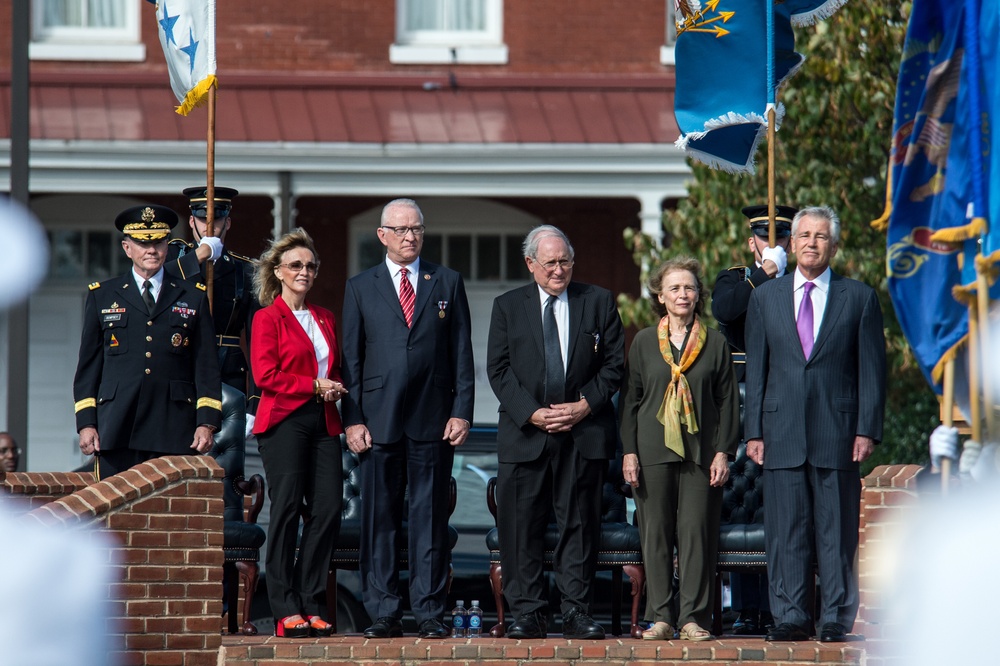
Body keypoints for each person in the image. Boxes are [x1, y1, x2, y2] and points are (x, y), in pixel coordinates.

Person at [744, 205, 886, 642]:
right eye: (803, 235)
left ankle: (835, 618)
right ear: (791, 242)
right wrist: (753, 430)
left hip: (838, 432)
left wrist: (867, 428)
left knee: (837, 532)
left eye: (820, 236)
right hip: (780, 430)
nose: (810, 242)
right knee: (786, 532)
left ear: (834, 245)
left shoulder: (858, 297)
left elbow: (872, 370)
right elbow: (757, 369)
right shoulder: (765, 296)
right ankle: (790, 615)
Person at [340, 198, 475, 639]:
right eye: (399, 230)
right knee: (379, 521)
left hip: (433, 420)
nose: (409, 237)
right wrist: (353, 418)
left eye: (416, 229)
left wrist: (462, 411)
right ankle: (383, 610)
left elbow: (461, 353)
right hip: (376, 422)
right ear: (382, 235)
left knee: (430, 519)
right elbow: (351, 361)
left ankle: (430, 610)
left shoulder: (447, 282)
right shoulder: (361, 286)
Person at [486, 225, 625, 640]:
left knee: (579, 527)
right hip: (525, 435)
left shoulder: (597, 301)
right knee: (520, 527)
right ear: (531, 264)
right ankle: (528, 613)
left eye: (565, 261)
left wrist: (585, 405)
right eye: (550, 262)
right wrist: (531, 414)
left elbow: (615, 365)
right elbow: (498, 370)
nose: (559, 269)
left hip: (583, 435)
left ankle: (577, 612)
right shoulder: (507, 306)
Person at [620, 257, 740, 641]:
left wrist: (723, 452)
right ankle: (661, 617)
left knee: (695, 533)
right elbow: (630, 402)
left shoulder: (715, 342)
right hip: (651, 450)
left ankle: (692, 617)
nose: (682, 294)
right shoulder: (642, 342)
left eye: (689, 287)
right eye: (674, 288)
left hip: (701, 454)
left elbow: (727, 403)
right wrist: (629, 452)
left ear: (698, 294)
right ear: (660, 295)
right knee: (655, 534)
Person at [73, 204, 222, 477]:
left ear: (167, 245)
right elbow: (88, 369)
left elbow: (206, 366)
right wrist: (86, 423)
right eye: (142, 243)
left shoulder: (193, 296)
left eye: (158, 241)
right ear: (127, 248)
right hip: (117, 425)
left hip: (174, 425)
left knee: (172, 515)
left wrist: (206, 422)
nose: (151, 250)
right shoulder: (102, 296)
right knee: (114, 513)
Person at [250, 228, 346, 638]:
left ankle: (311, 602)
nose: (304, 271)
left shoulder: (325, 316)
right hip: (285, 420)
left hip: (324, 420)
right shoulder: (266, 318)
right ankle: (284, 607)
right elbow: (265, 375)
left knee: (326, 509)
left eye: (310, 266)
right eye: (296, 265)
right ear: (279, 271)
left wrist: (334, 385)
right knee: (286, 509)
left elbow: (333, 369)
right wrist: (314, 385)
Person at [710, 203, 796, 635]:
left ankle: (783, 604)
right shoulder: (736, 277)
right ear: (752, 241)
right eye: (767, 237)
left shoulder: (803, 285)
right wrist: (764, 272)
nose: (775, 244)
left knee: (779, 506)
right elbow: (726, 309)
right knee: (741, 504)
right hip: (744, 401)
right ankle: (747, 605)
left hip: (788, 398)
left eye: (783, 237)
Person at [166, 186, 260, 435]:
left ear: (227, 222)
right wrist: (199, 256)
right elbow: (158, 283)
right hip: (181, 368)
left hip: (227, 370)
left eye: (216, 218)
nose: (209, 225)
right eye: (201, 218)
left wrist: (255, 402)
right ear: (191, 221)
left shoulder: (245, 271)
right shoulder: (173, 257)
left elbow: (257, 340)